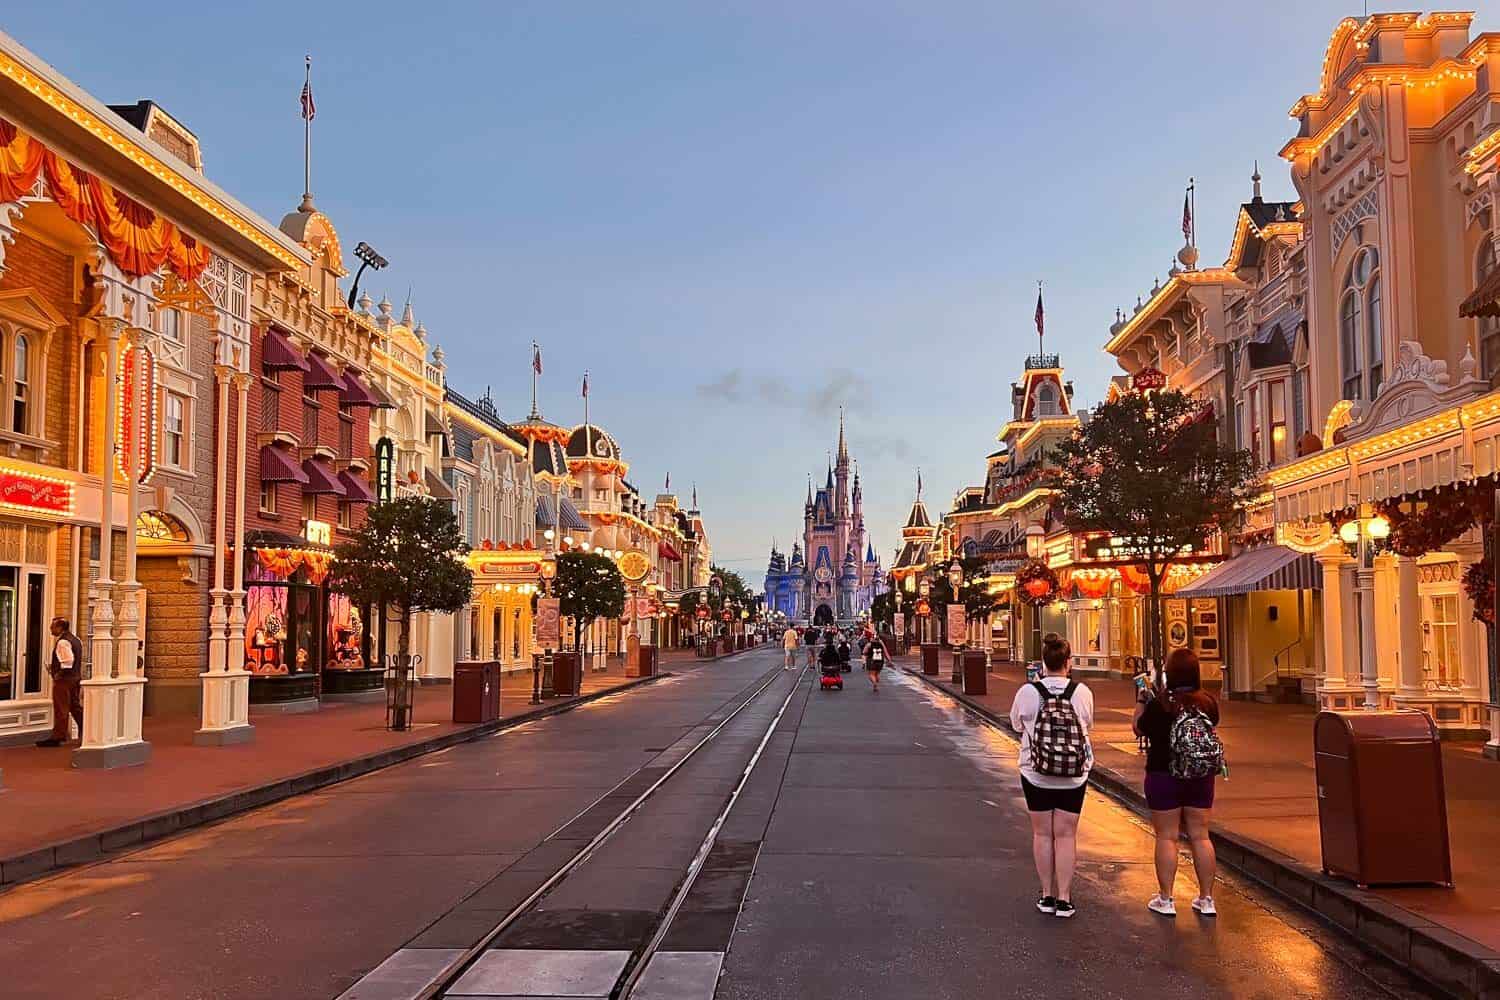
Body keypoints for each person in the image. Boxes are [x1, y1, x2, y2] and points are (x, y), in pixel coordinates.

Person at [1008, 635, 1094, 919]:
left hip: (1036, 773)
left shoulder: (1028, 692)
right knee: (1067, 834)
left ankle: (1046, 894)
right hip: (1074, 775)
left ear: (1042, 663)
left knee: (1042, 833)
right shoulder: (1082, 692)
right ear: (1068, 662)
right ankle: (1065, 899)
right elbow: (1087, 726)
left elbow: (1016, 723)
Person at [1133, 647, 1222, 918]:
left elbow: (1138, 728)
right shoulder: (1207, 702)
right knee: (1201, 835)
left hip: (1163, 774)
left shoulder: (1160, 703)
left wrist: (1141, 698)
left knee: (1167, 836)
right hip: (1199, 776)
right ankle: (1206, 899)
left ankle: (1166, 898)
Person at [37, 617, 84, 747]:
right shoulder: (76, 640)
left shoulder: (63, 642)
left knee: (61, 708)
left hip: (65, 680)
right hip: (75, 678)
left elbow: (68, 662)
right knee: (75, 707)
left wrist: (58, 674)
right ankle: (87, 728)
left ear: (60, 627)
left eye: (53, 627)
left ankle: (58, 736)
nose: (51, 630)